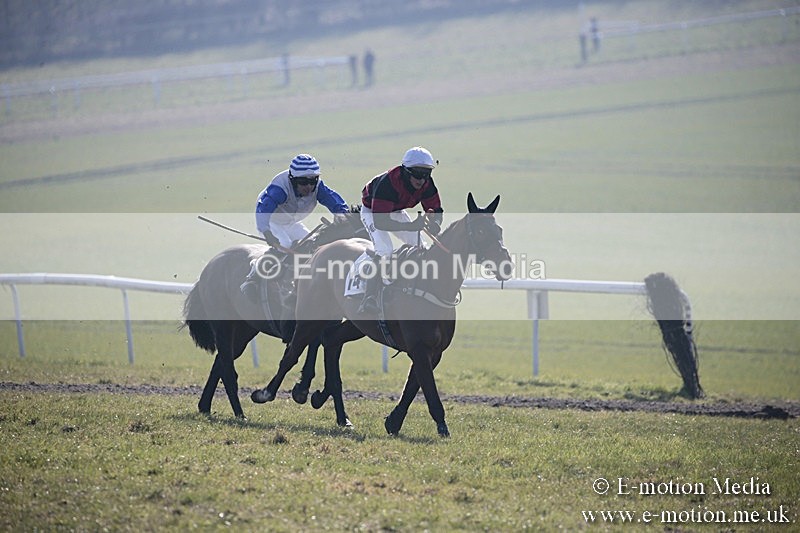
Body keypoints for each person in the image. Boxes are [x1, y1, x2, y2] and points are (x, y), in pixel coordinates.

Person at [242, 154, 348, 338]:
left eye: (312, 181)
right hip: (272, 221)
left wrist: (346, 217)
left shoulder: (318, 187)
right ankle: (252, 278)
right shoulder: (280, 189)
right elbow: (263, 208)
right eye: (303, 182)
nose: (308, 186)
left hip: (291, 221)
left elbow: (334, 201)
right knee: (283, 243)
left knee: (313, 243)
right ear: (292, 179)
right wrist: (266, 232)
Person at [358, 146, 444, 313]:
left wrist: (435, 224)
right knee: (385, 250)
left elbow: (436, 209)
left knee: (422, 247)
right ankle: (369, 297)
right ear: (405, 172)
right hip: (373, 212)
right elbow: (381, 222)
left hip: (395, 209)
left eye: (426, 173)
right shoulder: (388, 184)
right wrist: (410, 226)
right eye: (417, 173)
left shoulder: (427, 183)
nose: (421, 179)